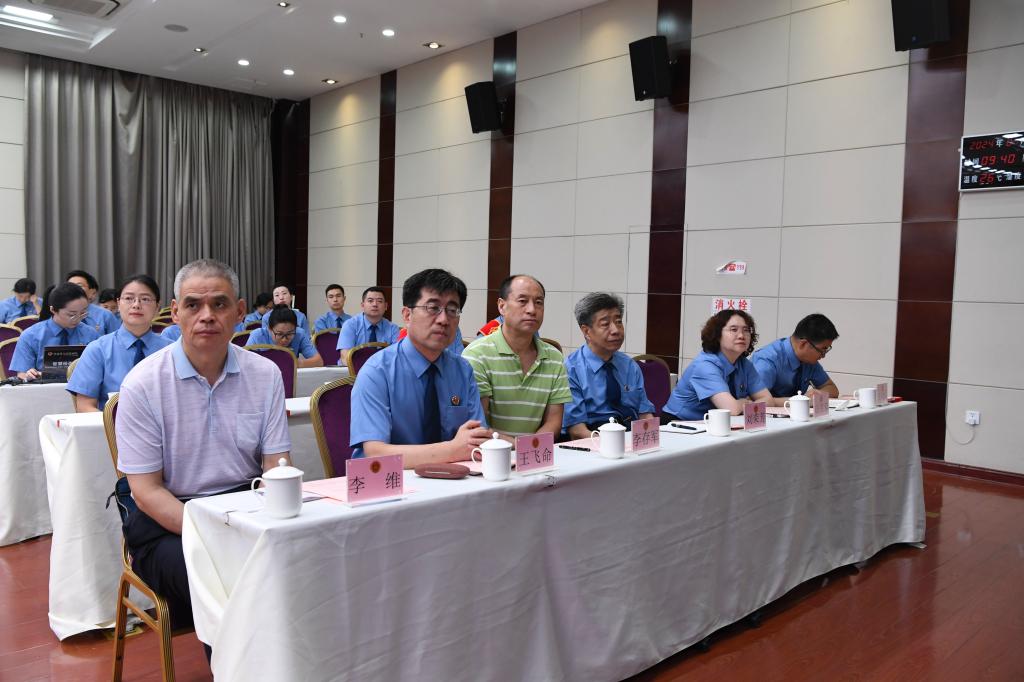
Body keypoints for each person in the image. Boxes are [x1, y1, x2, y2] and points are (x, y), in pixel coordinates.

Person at [116, 259, 292, 641]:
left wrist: (268, 519)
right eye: (193, 305)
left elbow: (276, 466)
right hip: (170, 523)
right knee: (227, 578)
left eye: (220, 304)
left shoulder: (265, 374)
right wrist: (216, 533)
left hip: (243, 509)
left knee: (301, 562)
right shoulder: (142, 384)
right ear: (175, 312)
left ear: (240, 312)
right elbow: (146, 492)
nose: (207, 316)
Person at [349, 269, 489, 468]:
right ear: (407, 315)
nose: (443, 319)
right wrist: (451, 450)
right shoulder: (377, 371)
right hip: (392, 481)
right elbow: (375, 453)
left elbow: (476, 438)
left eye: (452, 310)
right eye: (433, 308)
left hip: (455, 478)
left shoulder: (462, 370)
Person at [462, 274, 571, 441]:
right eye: (522, 301)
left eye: (539, 302)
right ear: (502, 306)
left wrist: (529, 448)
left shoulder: (554, 357)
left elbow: (553, 422)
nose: (532, 310)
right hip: (490, 451)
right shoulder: (477, 354)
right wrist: (519, 447)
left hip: (535, 452)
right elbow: (478, 424)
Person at [66, 275, 172, 411]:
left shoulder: (171, 350)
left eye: (145, 299)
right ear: (118, 304)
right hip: (109, 424)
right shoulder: (98, 349)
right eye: (128, 298)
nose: (136, 305)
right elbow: (84, 406)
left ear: (157, 306)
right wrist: (114, 423)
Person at [562, 293, 655, 439]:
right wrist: (612, 444)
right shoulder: (570, 369)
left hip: (629, 434)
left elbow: (645, 414)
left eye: (618, 322)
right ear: (586, 331)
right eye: (605, 324)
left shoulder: (629, 365)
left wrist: (651, 437)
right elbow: (577, 431)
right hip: (593, 437)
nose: (615, 330)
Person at [662, 309, 773, 422]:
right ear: (718, 335)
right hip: (678, 423)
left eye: (746, 330)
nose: (741, 335)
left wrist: (743, 405)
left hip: (713, 423)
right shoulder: (705, 365)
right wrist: (745, 402)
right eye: (733, 329)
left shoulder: (744, 364)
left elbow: (768, 400)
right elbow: (731, 409)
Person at [9, 282, 101, 380]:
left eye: (83, 313)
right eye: (71, 315)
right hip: (43, 388)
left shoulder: (91, 334)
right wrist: (29, 375)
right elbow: (22, 374)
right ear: (53, 310)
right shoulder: (31, 336)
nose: (78, 319)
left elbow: (101, 370)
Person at [751, 313, 840, 404]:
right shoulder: (767, 360)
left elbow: (832, 389)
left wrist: (818, 394)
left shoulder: (808, 361)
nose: (823, 356)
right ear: (803, 344)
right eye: (822, 350)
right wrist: (800, 401)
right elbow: (754, 401)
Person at [336, 286, 400, 361]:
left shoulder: (393, 329)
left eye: (379, 301)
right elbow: (345, 357)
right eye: (370, 301)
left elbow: (397, 358)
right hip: (353, 368)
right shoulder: (350, 325)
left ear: (385, 306)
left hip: (382, 368)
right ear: (362, 305)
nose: (375, 304)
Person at [247, 304, 324, 368]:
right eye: (279, 334)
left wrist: (295, 363)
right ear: (270, 329)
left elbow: (319, 361)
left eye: (289, 334)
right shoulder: (257, 336)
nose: (284, 339)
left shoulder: (299, 333)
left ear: (295, 328)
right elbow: (245, 363)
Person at [66, 269, 120, 334]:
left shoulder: (105, 315)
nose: (73, 289)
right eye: (70, 285)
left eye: (79, 285)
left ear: (92, 291)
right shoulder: (60, 314)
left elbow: (116, 338)